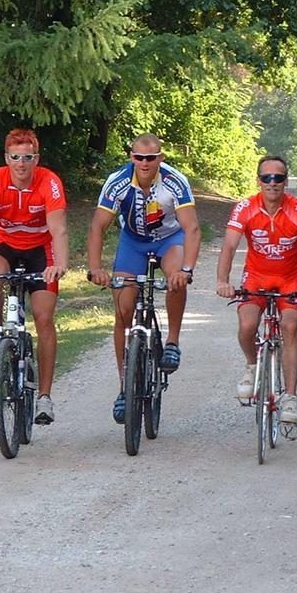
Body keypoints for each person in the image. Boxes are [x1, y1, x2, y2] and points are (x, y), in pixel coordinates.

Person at [0, 128, 69, 426]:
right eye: (15, 157)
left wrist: (60, 264)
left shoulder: (49, 182)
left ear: (36, 159)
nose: (21, 163)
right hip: (5, 244)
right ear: (6, 158)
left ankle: (44, 397)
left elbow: (58, 229)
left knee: (44, 317)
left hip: (40, 249)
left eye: (27, 157)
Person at [87, 133, 201, 423]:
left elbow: (191, 228)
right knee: (123, 310)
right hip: (133, 242)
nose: (145, 163)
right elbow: (98, 227)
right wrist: (95, 268)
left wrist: (187, 269)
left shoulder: (175, 181)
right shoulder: (118, 181)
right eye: (139, 157)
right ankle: (124, 387)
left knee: (175, 276)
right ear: (131, 157)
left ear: (161, 158)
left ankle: (172, 341)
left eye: (151, 158)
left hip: (168, 238)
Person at [215, 155, 297, 426]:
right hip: (257, 276)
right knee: (247, 324)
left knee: (289, 326)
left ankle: (290, 396)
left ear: (286, 181)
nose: (272, 183)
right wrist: (222, 281)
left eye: (278, 178)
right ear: (259, 181)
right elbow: (229, 245)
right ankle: (252, 366)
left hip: (290, 278)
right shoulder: (245, 208)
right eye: (267, 178)